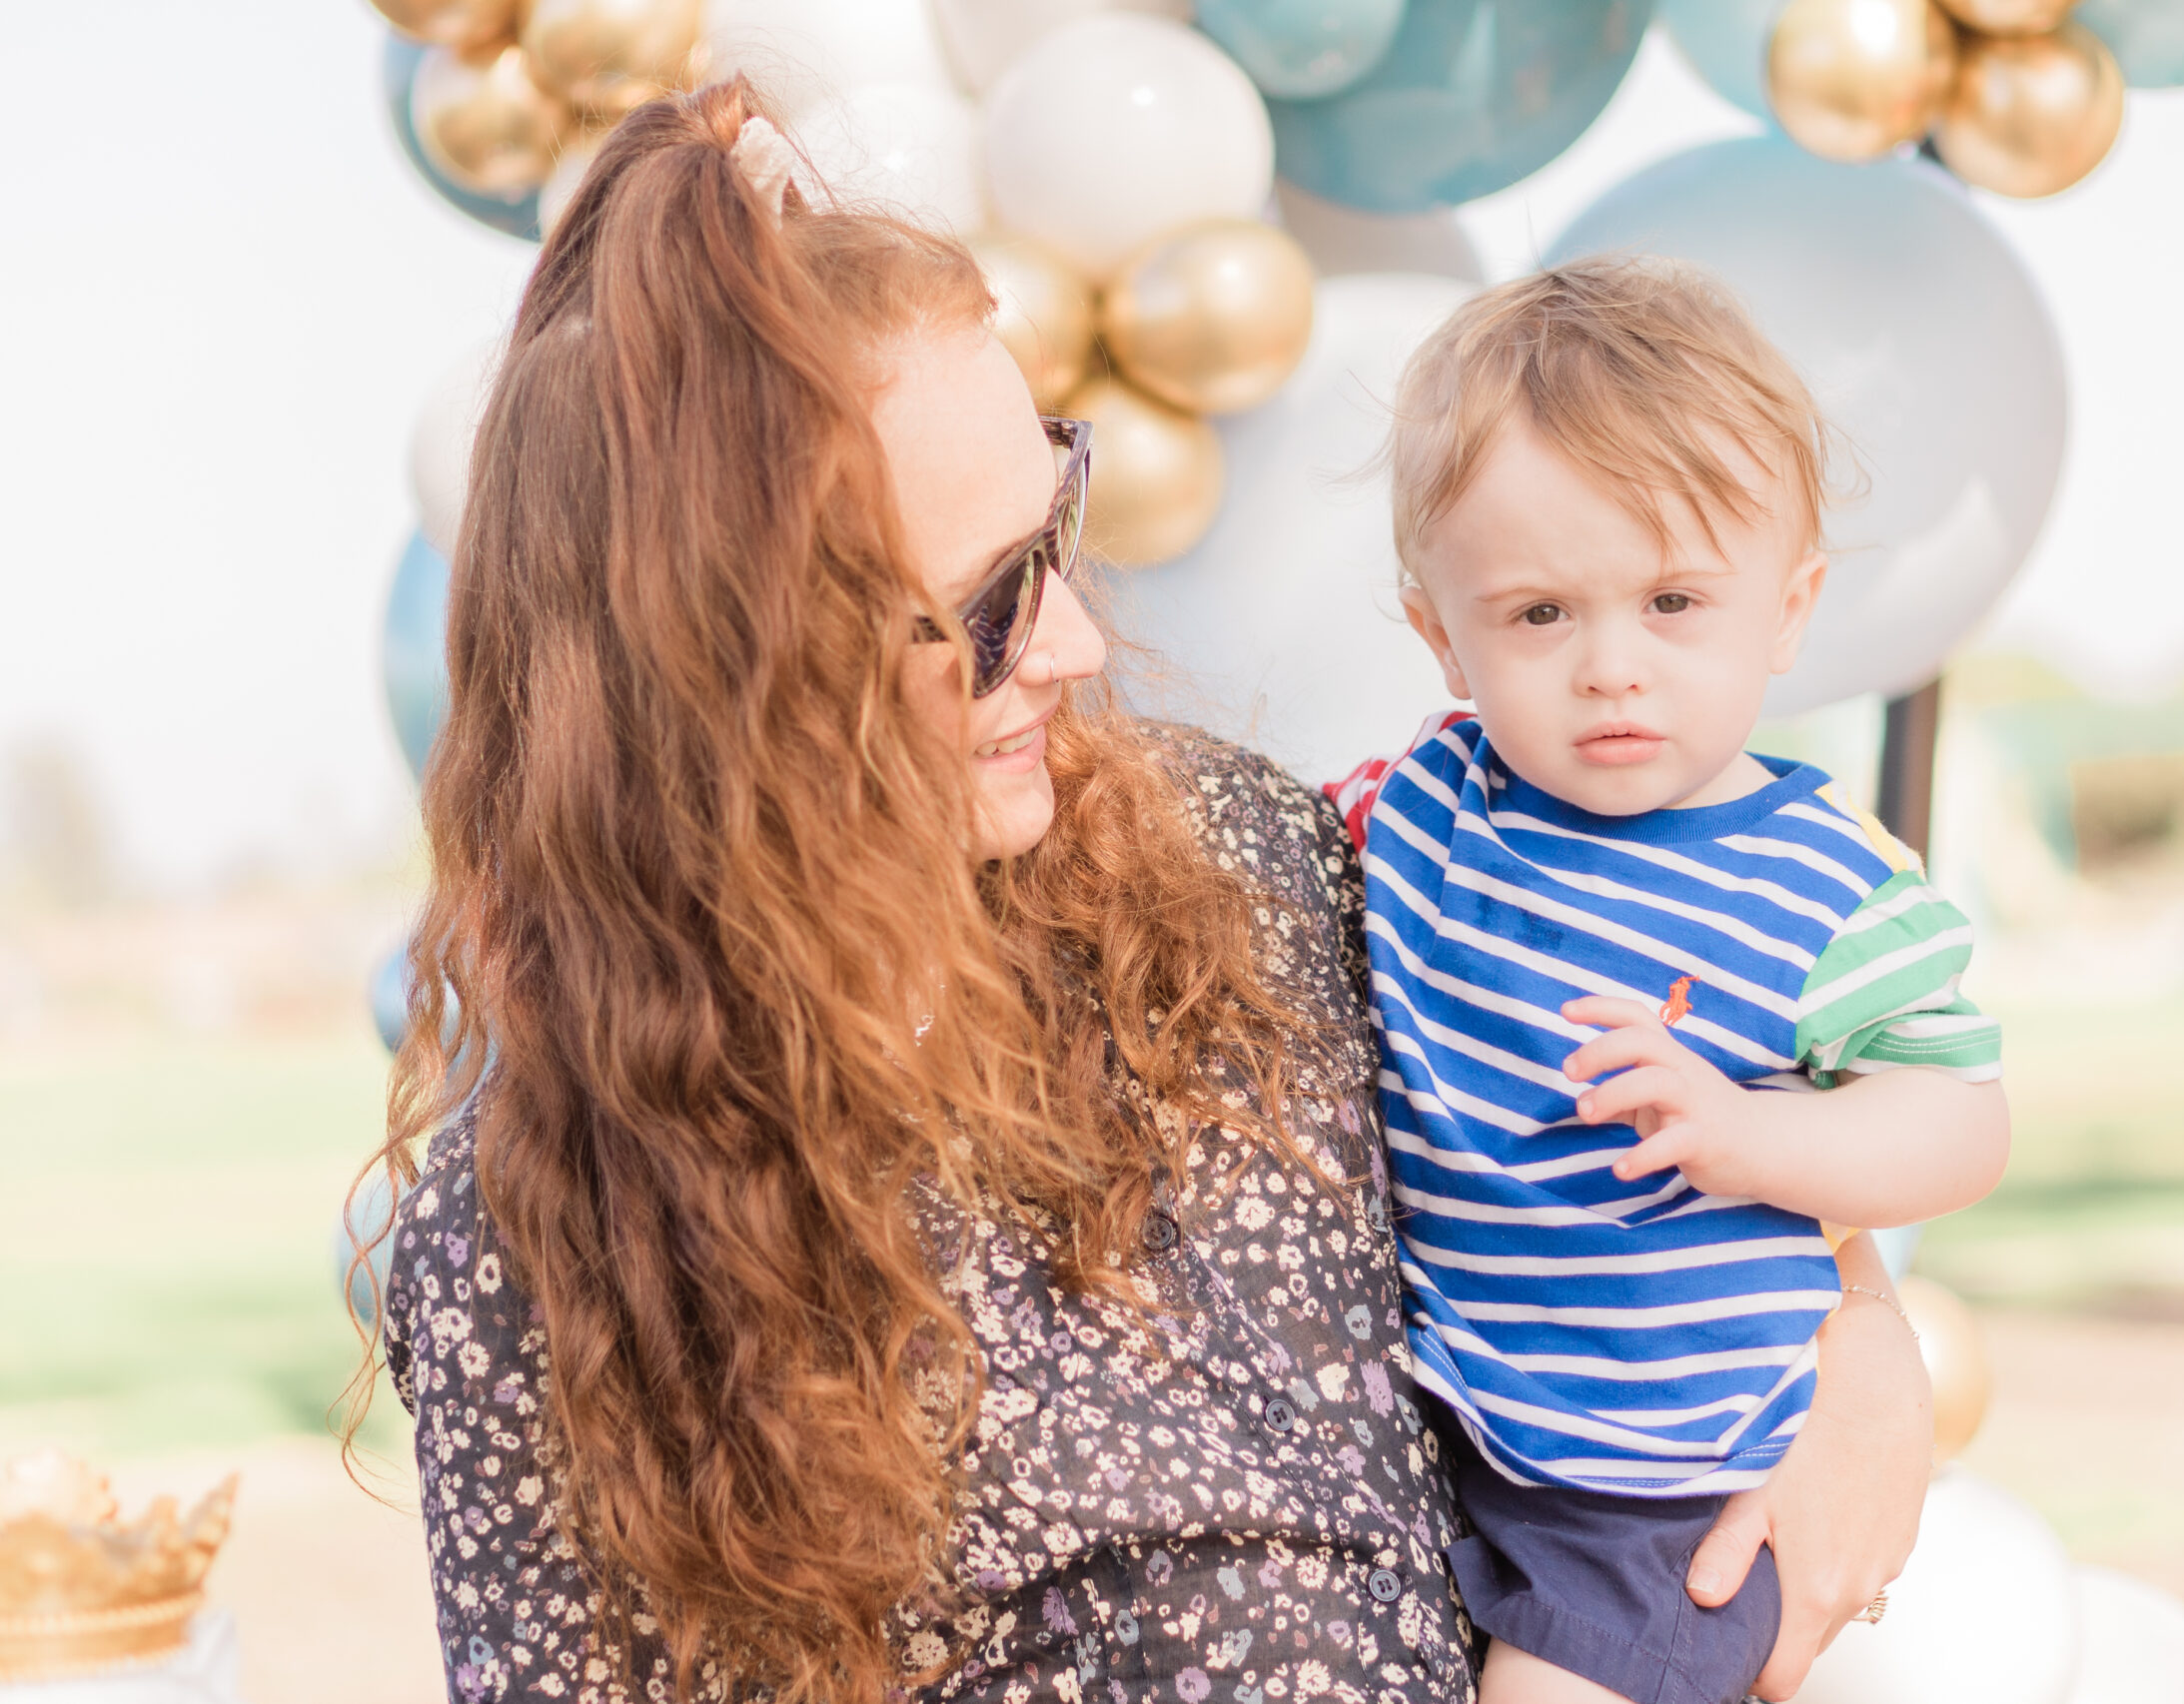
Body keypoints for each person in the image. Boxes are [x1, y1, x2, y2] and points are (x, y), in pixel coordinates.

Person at [353, 84, 1936, 1704]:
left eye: (1057, 522)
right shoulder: (533, 1251)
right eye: (985, 608)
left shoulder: (1232, 859)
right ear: (735, 672)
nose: (1076, 642)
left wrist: (1866, 1341)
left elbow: (1611, 1124)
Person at [1324, 259, 2011, 1704]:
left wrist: (1757, 1135)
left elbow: (1962, 1119)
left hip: (1670, 1483)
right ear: (1440, 635)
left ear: (1788, 608)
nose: (1611, 667)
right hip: (1445, 1419)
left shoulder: (1824, 883)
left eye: (1674, 600)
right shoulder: (1425, 809)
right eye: (1538, 615)